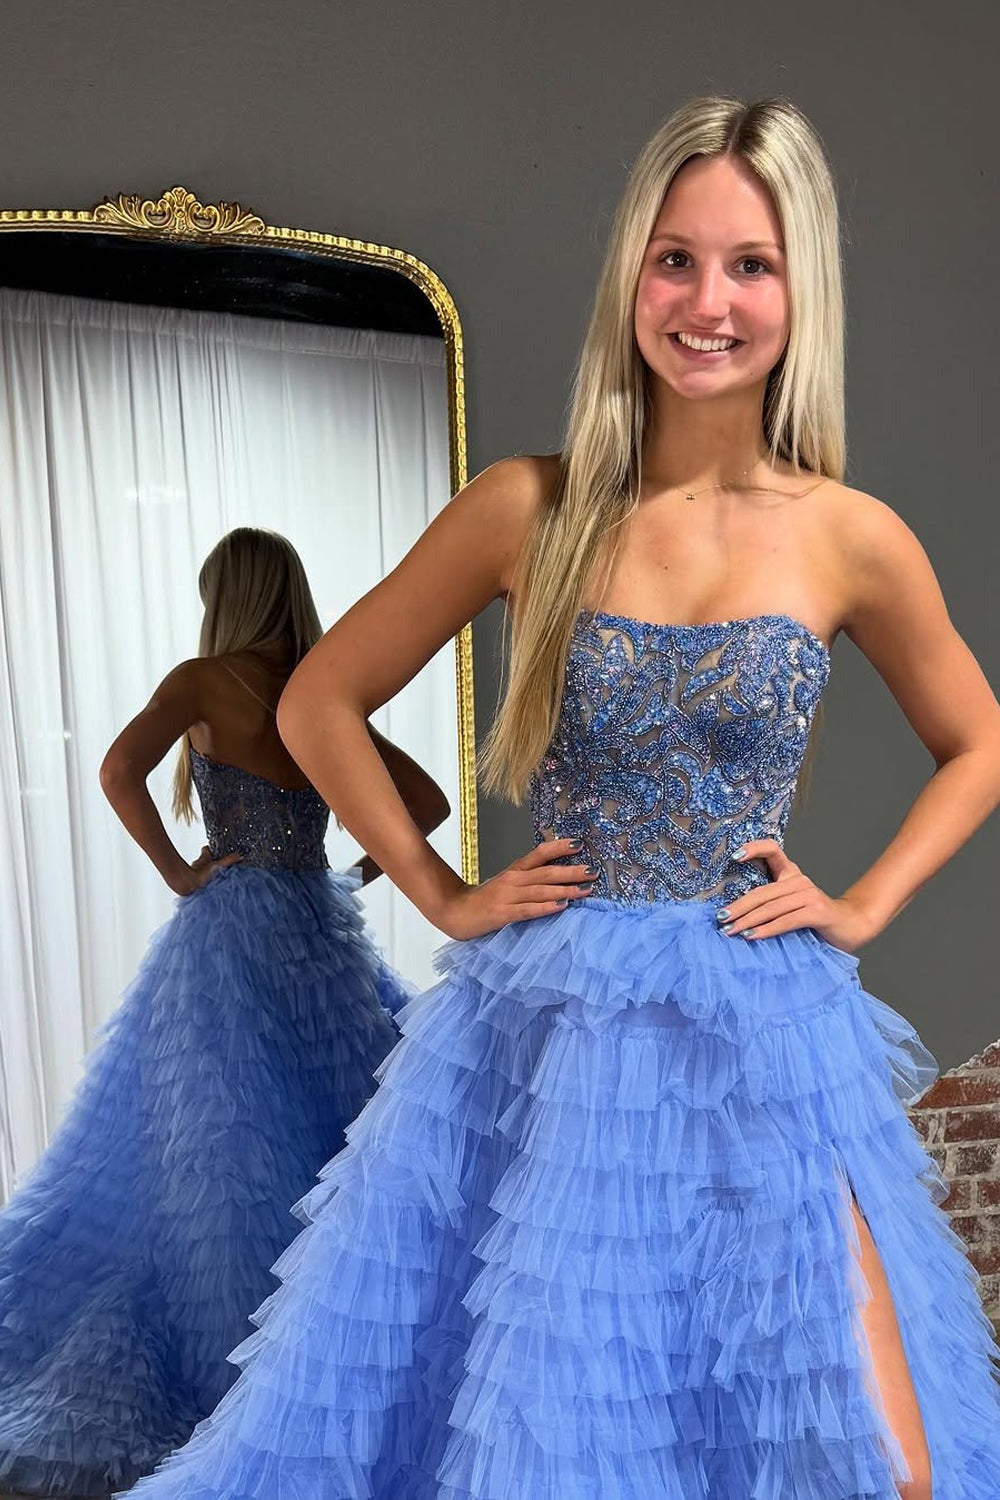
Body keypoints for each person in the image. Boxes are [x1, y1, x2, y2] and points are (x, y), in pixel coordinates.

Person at [124, 100, 1000, 1500]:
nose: (707, 303)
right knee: (568, 1440)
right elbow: (316, 701)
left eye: (751, 265)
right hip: (556, 1023)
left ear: (801, 291)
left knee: (880, 1458)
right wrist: (440, 893)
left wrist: (864, 903)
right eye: (674, 260)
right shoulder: (527, 508)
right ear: (630, 277)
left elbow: (978, 740)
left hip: (759, 1014)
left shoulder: (851, 537)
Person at [0, 526, 449, 1497]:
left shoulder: (204, 681)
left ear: (227, 597)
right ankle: (321, 1364)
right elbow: (427, 803)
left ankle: (234, 1379)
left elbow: (118, 769)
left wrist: (178, 870)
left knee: (222, 1150)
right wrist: (358, 869)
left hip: (232, 933)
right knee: (336, 1143)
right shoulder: (324, 692)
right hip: (316, 939)